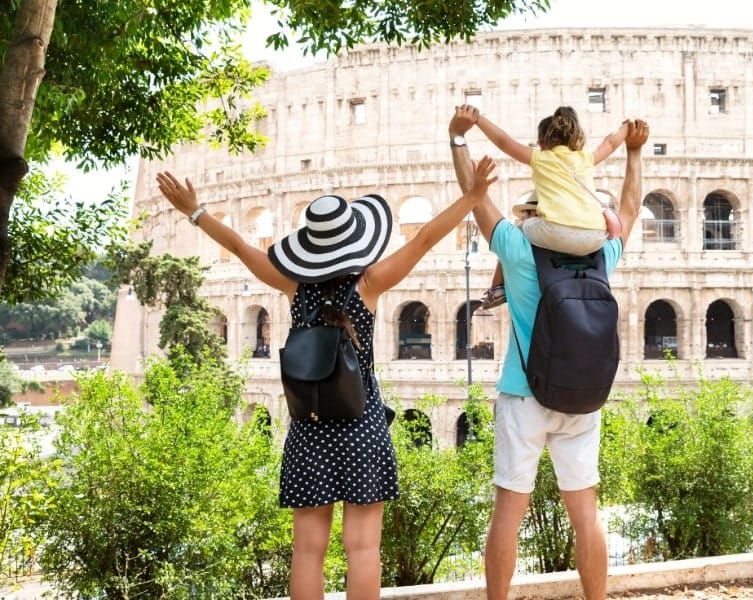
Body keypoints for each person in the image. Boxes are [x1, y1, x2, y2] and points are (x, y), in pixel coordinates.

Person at [155, 155, 498, 600]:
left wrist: (195, 212)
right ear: (355, 242)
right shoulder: (370, 284)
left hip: (311, 424)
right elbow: (428, 237)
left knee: (307, 551)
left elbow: (241, 248)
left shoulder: (294, 288)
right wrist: (472, 197)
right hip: (362, 423)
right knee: (363, 548)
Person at [448, 104, 648, 600]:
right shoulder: (602, 254)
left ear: (536, 212)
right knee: (586, 517)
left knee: (508, 517)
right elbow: (629, 209)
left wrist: (458, 140)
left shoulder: (517, 249)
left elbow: (475, 201)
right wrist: (635, 152)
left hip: (523, 395)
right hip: (583, 397)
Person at [473, 106, 630, 309]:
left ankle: (498, 287)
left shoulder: (541, 158)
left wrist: (478, 119)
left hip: (556, 232)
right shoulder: (586, 158)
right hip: (595, 238)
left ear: (541, 142)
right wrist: (627, 128)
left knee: (517, 229)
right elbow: (610, 142)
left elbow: (504, 142)